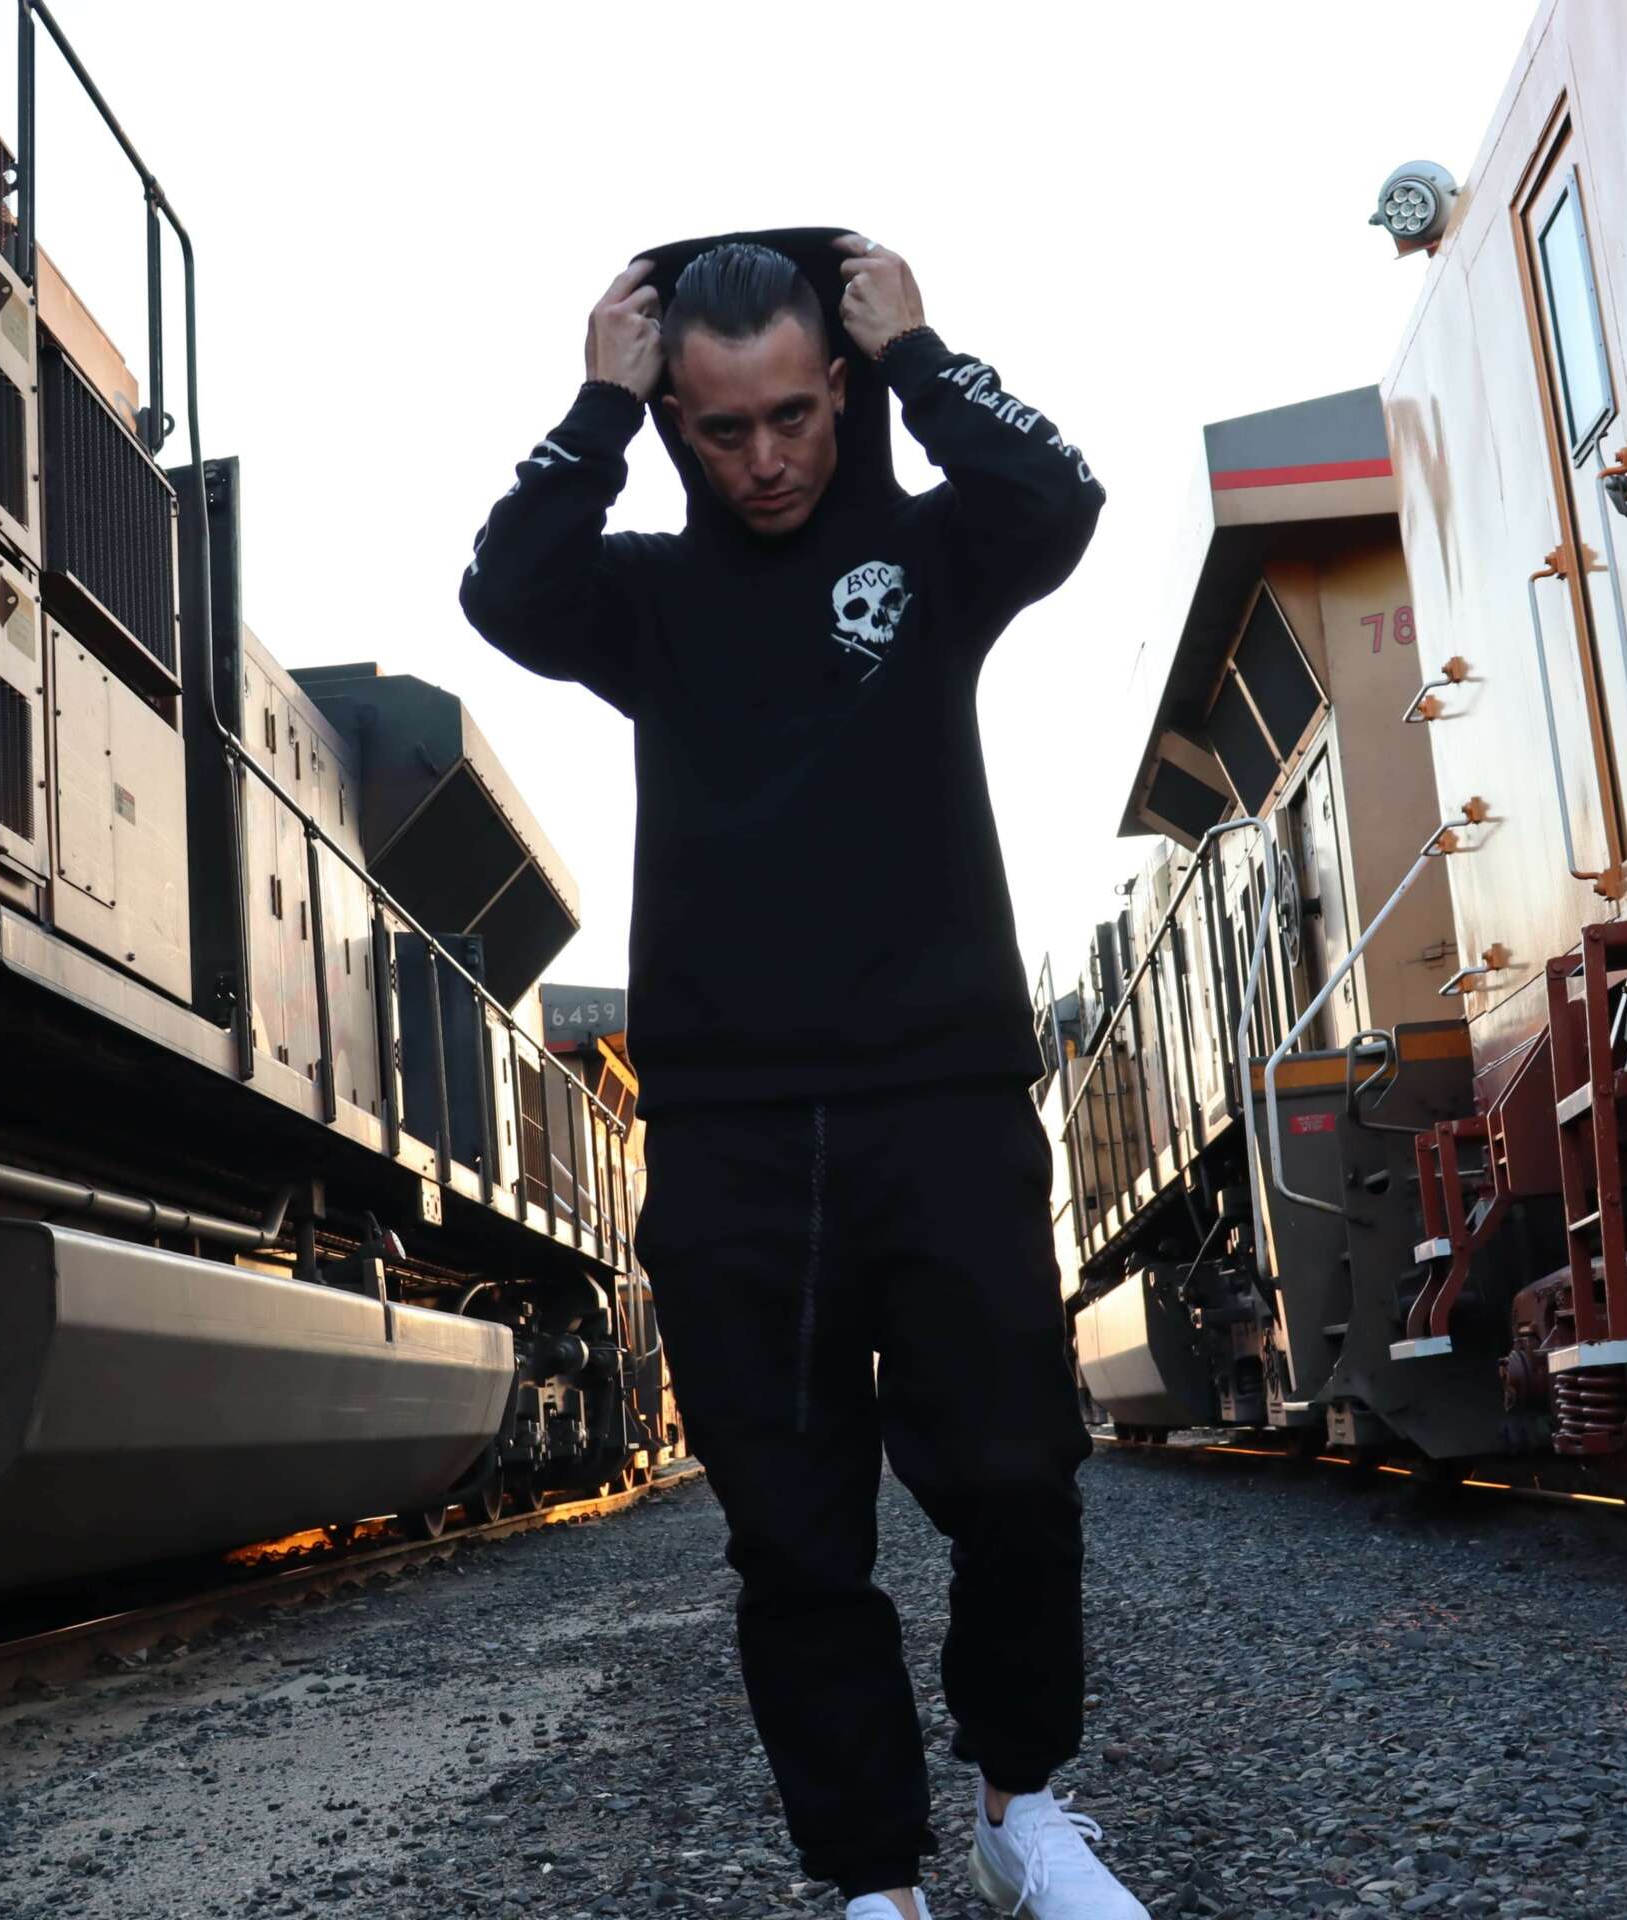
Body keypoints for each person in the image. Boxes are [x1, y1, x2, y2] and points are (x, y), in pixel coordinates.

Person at [460, 229, 1146, 1920]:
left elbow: (1057, 502)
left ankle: (1021, 1812)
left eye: (792, 415)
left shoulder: (935, 554)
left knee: (1014, 1478)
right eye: (721, 428)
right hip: (733, 1134)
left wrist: (925, 354)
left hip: (946, 1102)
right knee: (793, 1533)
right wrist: (596, 407)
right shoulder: (646, 601)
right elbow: (506, 590)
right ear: (678, 426)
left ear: (838, 390)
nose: (763, 458)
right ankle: (871, 1882)